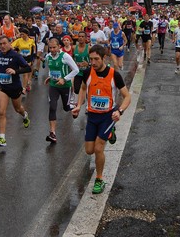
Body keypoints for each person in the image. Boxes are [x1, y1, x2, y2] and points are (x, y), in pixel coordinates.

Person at [71, 45, 131, 194]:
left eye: (96, 59)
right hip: (92, 116)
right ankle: (111, 133)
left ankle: (99, 179)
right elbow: (84, 88)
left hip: (107, 116)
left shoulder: (114, 75)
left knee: (99, 148)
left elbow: (127, 97)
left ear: (104, 58)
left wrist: (120, 111)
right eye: (91, 59)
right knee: (89, 150)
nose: (93, 62)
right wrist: (79, 105)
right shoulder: (87, 73)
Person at [0, 36, 31, 147]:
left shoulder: (16, 56)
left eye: (5, 43)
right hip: (2, 87)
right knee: (1, 112)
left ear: (10, 43)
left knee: (18, 109)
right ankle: (2, 138)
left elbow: (28, 69)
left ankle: (25, 115)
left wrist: (15, 71)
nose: (2, 46)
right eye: (1, 44)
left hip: (14, 87)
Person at [44, 38, 79, 143]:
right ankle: (52, 133)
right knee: (52, 107)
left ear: (59, 46)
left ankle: (75, 106)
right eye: (50, 47)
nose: (52, 49)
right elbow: (51, 68)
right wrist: (50, 76)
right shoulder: (48, 56)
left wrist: (64, 79)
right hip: (53, 86)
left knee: (66, 108)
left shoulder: (65, 56)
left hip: (65, 86)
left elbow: (76, 70)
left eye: (54, 47)